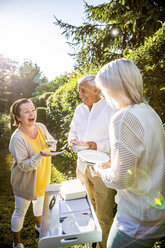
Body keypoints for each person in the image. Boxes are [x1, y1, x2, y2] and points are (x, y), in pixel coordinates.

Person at [93, 58, 165, 248]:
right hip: (155, 213)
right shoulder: (149, 112)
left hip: (135, 223)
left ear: (112, 86)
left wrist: (101, 170)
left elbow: (121, 180)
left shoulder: (123, 118)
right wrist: (115, 164)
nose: (103, 94)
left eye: (103, 88)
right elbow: (144, 161)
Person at [68, 75, 116, 248]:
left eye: (83, 90)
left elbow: (117, 142)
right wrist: (71, 141)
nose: (80, 95)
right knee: (86, 209)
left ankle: (104, 245)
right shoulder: (79, 110)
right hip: (82, 168)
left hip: (102, 170)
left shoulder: (111, 108)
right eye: (79, 91)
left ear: (96, 89)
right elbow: (72, 131)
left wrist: (97, 146)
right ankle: (91, 242)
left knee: (104, 215)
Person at [9, 98, 60, 248]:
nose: (31, 113)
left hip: (43, 176)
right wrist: (40, 155)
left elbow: (50, 142)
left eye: (33, 110)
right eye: (26, 112)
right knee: (20, 212)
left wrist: (52, 144)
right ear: (18, 118)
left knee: (40, 206)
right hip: (25, 181)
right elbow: (24, 166)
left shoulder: (41, 127)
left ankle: (39, 227)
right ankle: (16, 242)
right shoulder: (17, 138)